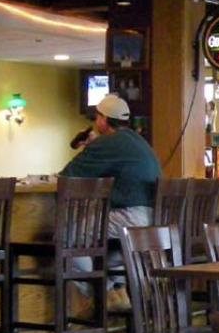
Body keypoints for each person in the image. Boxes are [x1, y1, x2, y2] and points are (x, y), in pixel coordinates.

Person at [61, 94, 161, 303]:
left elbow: (68, 176)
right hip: (152, 219)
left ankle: (103, 293)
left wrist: (93, 147)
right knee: (112, 250)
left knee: (65, 237)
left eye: (97, 117)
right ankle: (117, 289)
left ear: (104, 119)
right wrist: (94, 146)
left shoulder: (108, 142)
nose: (95, 122)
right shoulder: (137, 140)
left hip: (129, 216)